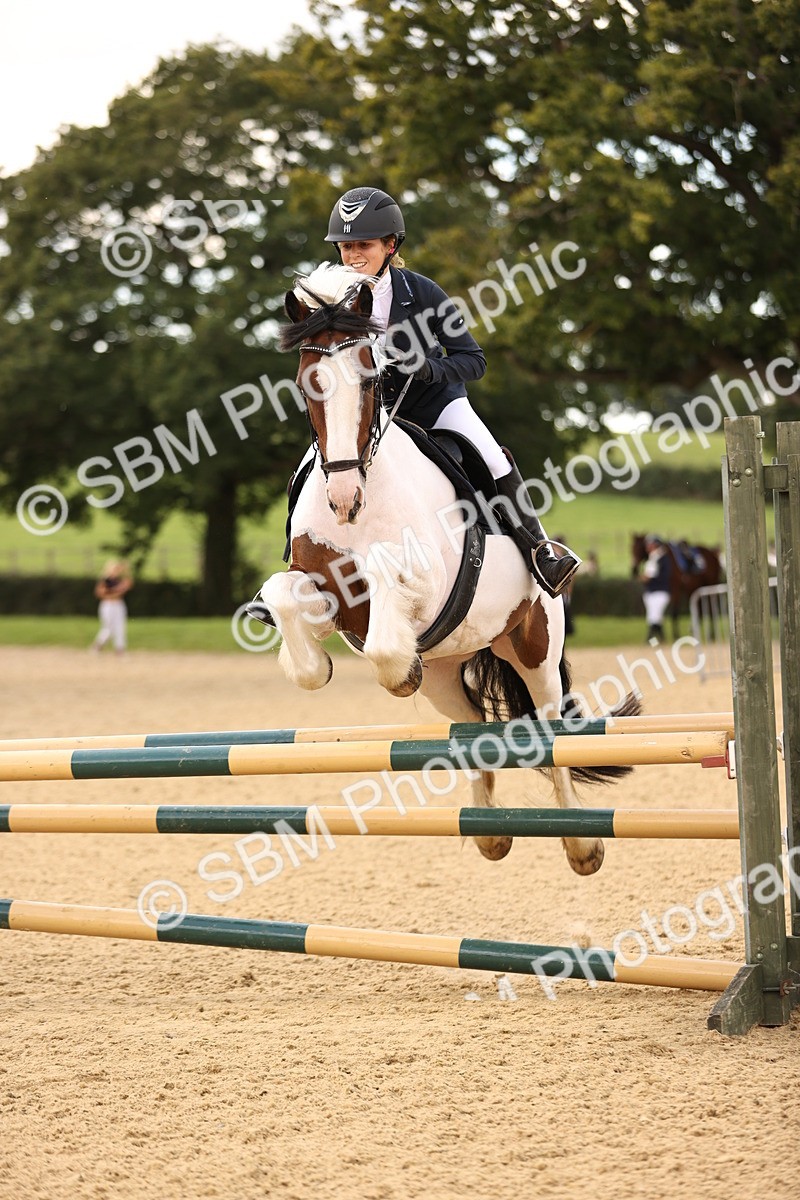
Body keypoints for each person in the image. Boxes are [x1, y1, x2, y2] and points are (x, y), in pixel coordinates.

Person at [319, 186, 581, 599]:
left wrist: (427, 368)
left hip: (435, 406)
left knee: (492, 455)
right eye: (345, 246)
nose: (352, 256)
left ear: (390, 246)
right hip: (369, 414)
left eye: (363, 245)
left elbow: (474, 360)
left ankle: (540, 553)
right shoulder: (329, 297)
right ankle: (293, 565)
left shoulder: (422, 293)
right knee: (313, 465)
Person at [91, 560, 133, 654]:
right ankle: (98, 645)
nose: (116, 571)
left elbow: (129, 584)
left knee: (120, 626)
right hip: (108, 605)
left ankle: (120, 648)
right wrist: (114, 593)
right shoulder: (105, 580)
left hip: (118, 605)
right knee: (109, 627)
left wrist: (126, 570)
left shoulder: (119, 580)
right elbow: (100, 593)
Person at [641, 535, 671, 646]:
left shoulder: (661, 558)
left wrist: (647, 578)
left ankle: (649, 640)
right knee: (655, 617)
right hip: (652, 591)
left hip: (660, 591)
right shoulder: (653, 558)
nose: (648, 547)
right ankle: (661, 639)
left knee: (654, 617)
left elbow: (655, 576)